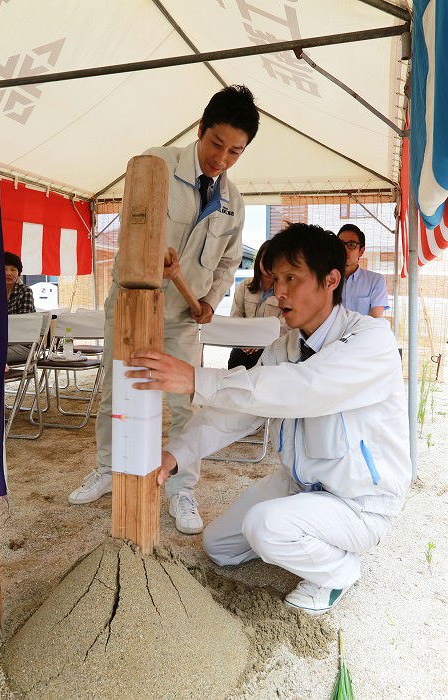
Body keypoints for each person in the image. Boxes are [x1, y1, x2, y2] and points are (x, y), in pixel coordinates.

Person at [127, 223, 412, 616]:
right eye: (276, 279)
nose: (279, 292)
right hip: (300, 487)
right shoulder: (285, 347)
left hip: (358, 503)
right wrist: (174, 455)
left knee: (266, 527)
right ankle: (298, 536)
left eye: (292, 278)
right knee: (219, 547)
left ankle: (340, 570)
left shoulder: (371, 340)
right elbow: (236, 412)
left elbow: (305, 387)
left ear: (331, 280)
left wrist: (198, 378)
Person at [68, 85, 260, 537]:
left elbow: (230, 261)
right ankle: (108, 470)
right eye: (216, 144)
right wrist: (151, 255)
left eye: (235, 151)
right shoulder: (154, 165)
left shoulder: (235, 203)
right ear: (200, 130)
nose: (222, 159)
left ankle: (181, 487)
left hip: (182, 318)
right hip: (134, 304)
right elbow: (133, 228)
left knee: (186, 402)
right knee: (118, 390)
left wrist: (211, 299)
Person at [228, 239, 287, 370]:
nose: (268, 265)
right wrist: (246, 341)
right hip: (242, 347)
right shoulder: (244, 286)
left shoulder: (285, 292)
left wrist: (260, 340)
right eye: (265, 259)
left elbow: (285, 324)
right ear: (259, 260)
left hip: (270, 348)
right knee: (235, 364)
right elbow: (235, 317)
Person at [337, 224, 389, 317]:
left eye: (351, 245)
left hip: (364, 331)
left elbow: (374, 320)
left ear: (361, 251)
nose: (344, 250)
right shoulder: (326, 280)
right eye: (340, 244)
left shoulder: (375, 281)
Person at [5, 251, 36, 364]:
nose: (8, 273)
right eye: (4, 269)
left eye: (13, 269)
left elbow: (23, 325)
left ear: (18, 273)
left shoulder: (25, 291)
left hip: (24, 345)